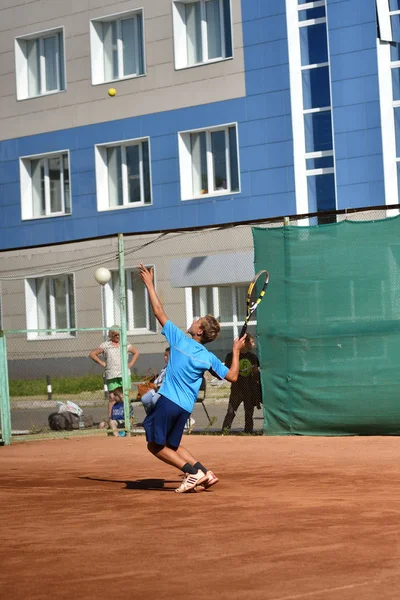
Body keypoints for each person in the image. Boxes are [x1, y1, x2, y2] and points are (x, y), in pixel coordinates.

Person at [138, 264, 246, 494]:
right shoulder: (208, 357)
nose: (194, 321)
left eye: (197, 320)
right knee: (172, 446)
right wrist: (236, 350)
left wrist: (149, 283)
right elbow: (233, 376)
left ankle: (193, 473)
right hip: (185, 408)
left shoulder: (179, 340)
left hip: (168, 401)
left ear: (199, 332)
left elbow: (158, 311)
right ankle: (206, 473)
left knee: (154, 446)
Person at [89, 327, 140, 422]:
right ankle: (111, 419)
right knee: (112, 397)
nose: (117, 337)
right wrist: (102, 363)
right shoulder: (106, 345)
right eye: (115, 335)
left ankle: (127, 418)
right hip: (111, 374)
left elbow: (136, 352)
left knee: (124, 396)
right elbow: (92, 354)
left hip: (123, 373)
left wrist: (131, 363)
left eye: (119, 335)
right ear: (111, 335)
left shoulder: (125, 344)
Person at [221, 334, 262, 434]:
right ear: (245, 343)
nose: (253, 344)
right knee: (231, 411)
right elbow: (228, 371)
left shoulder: (253, 357)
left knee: (249, 413)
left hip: (250, 388)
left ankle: (248, 432)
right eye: (251, 342)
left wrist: (255, 372)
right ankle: (225, 432)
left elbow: (256, 375)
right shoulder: (231, 356)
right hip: (237, 388)